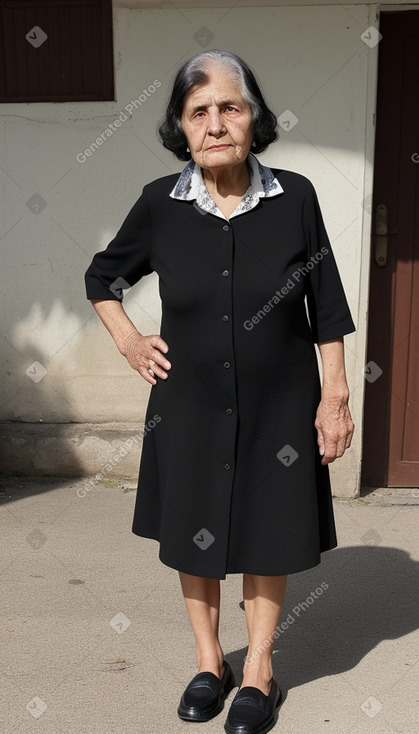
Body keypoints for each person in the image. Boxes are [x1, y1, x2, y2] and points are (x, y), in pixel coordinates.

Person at [85, 49, 355, 734]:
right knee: (192, 535)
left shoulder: (293, 197)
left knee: (270, 531)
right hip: (188, 407)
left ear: (254, 116)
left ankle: (259, 668)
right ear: (180, 126)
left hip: (280, 406)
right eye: (197, 111)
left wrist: (334, 399)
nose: (214, 123)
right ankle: (211, 663)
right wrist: (129, 341)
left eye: (228, 107)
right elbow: (102, 278)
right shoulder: (159, 205)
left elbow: (324, 307)